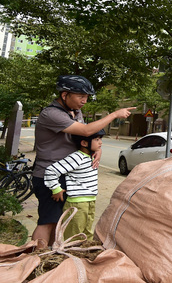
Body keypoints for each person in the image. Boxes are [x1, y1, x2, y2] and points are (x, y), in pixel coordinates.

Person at [31, 75, 135, 248]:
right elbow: (86, 131)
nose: (84, 101)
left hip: (67, 175)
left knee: (58, 222)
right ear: (64, 95)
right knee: (47, 221)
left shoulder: (74, 112)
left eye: (87, 97)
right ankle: (33, 260)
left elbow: (85, 137)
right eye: (80, 96)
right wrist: (115, 114)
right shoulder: (52, 114)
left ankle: (47, 256)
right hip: (49, 176)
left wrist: (99, 149)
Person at [44, 130, 105, 239]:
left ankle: (84, 253)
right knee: (74, 235)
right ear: (84, 143)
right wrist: (56, 189)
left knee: (87, 233)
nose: (100, 142)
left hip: (90, 201)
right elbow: (51, 171)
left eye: (100, 139)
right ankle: (70, 254)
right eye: (97, 139)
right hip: (77, 203)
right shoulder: (77, 157)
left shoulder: (91, 156)